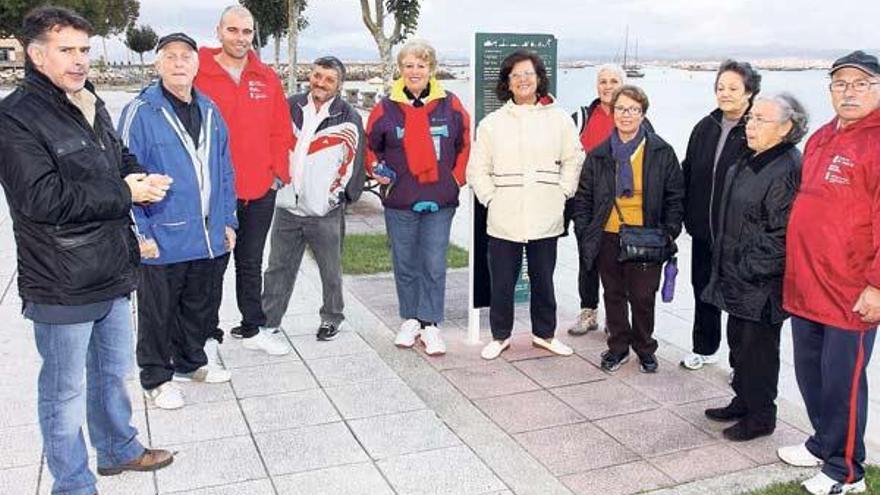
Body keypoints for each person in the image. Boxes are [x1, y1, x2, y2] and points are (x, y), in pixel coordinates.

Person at [0, 7, 174, 494]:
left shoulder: (88, 98)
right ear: (36, 56)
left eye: (84, 50)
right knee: (63, 391)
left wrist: (138, 174)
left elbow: (114, 157)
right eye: (67, 50)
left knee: (112, 372)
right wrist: (126, 193)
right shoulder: (14, 118)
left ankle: (118, 449)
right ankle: (73, 484)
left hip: (112, 266)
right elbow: (41, 200)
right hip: (61, 279)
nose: (80, 61)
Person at [778, 50, 880, 495]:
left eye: (862, 84)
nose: (849, 91)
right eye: (841, 83)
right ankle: (823, 442)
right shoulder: (821, 136)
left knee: (844, 382)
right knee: (810, 372)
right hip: (808, 284)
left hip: (851, 291)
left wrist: (877, 285)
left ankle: (847, 471)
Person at [119, 32, 238, 409]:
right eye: (169, 56)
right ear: (158, 65)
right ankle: (155, 376)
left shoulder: (211, 110)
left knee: (198, 305)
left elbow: (224, 170)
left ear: (197, 63)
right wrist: (140, 232)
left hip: (205, 234)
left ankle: (190, 361)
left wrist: (228, 220)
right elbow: (124, 174)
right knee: (158, 310)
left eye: (186, 56)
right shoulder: (141, 111)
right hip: (162, 232)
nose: (178, 63)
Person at [700, 93, 807, 441]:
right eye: (751, 118)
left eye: (761, 119)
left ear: (786, 127)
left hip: (759, 283)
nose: (751, 124)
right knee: (739, 346)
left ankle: (761, 416)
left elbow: (781, 235)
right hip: (736, 276)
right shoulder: (750, 160)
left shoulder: (787, 167)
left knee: (758, 352)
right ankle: (743, 401)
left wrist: (746, 268)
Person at [469, 49, 585, 360]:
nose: (523, 80)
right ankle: (500, 335)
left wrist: (563, 191)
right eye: (516, 75)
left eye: (528, 74)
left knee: (543, 279)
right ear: (507, 82)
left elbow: (574, 158)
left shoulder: (559, 119)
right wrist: (491, 197)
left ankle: (545, 334)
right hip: (504, 215)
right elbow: (477, 169)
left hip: (545, 213)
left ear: (539, 79)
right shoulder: (492, 123)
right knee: (502, 281)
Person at [194, 5, 293, 356]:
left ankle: (253, 326)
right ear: (219, 31)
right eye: (233, 30)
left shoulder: (266, 76)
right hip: (215, 192)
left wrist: (277, 175)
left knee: (250, 262)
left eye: (247, 32)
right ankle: (206, 334)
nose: (240, 38)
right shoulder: (198, 73)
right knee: (212, 264)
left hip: (259, 189)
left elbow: (282, 130)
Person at [365, 39, 471, 356]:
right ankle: (411, 319)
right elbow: (370, 149)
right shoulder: (385, 108)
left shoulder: (450, 105)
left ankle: (430, 324)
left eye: (421, 66)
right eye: (409, 65)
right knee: (405, 262)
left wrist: (456, 180)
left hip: (440, 201)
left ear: (431, 70)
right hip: (400, 200)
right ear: (401, 69)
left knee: (434, 263)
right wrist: (377, 171)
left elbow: (466, 144)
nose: (415, 71)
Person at [571, 85, 684, 373]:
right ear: (614, 113)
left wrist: (669, 230)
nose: (626, 115)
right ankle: (618, 347)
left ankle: (645, 346)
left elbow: (675, 195)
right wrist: (585, 232)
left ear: (643, 114)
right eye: (621, 108)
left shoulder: (661, 151)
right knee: (614, 294)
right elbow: (583, 197)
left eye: (633, 109)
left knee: (644, 297)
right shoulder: (598, 155)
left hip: (647, 236)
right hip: (608, 236)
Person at [262, 56, 365, 341]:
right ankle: (268, 320)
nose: (321, 83)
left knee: (330, 270)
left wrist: (337, 198)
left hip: (325, 212)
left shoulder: (349, 118)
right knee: (277, 268)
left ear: (339, 85)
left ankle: (332, 317)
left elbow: (354, 164)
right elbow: (270, 141)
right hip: (287, 206)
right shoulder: (290, 105)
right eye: (317, 75)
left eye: (329, 79)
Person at [680, 60, 761, 371]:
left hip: (739, 236)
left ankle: (740, 365)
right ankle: (704, 347)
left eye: (733, 88)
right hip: (703, 230)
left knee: (740, 302)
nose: (725, 94)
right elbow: (688, 173)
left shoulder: (756, 129)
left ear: (749, 92)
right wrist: (684, 217)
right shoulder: (705, 127)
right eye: (720, 87)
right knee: (703, 290)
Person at [565, 64, 626, 336]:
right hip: (586, 202)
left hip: (621, 205)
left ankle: (616, 319)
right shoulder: (581, 117)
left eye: (614, 81)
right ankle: (588, 311)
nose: (608, 86)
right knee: (587, 260)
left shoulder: (634, 116)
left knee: (618, 264)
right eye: (603, 81)